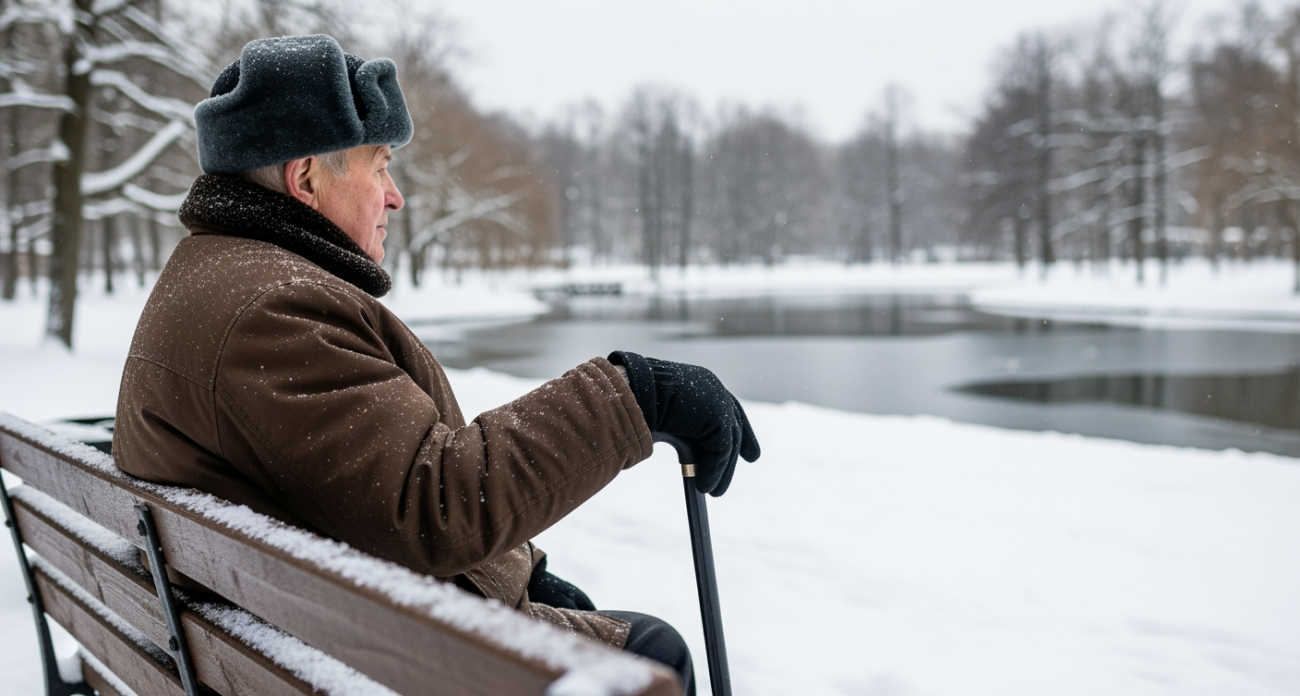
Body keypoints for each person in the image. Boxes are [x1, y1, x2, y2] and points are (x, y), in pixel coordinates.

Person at [112, 34, 759, 694]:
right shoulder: (272, 310)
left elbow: (361, 489)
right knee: (649, 656)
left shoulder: (224, 278)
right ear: (306, 178)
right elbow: (434, 503)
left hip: (290, 641)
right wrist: (637, 396)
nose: (394, 197)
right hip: (351, 660)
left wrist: (521, 574)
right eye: (380, 166)